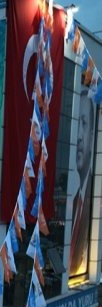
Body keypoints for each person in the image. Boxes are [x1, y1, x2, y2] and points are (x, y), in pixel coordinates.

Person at [69, 92, 95, 276]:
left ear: (92, 135)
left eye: (83, 124)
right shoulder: (75, 199)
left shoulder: (92, 198)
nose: (78, 136)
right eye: (75, 123)